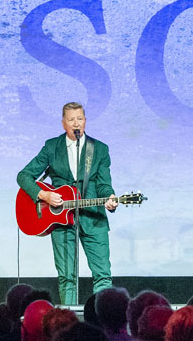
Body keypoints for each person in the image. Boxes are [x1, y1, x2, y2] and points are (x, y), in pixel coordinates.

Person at [16, 102, 118, 305]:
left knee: (103, 275)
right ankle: (68, 319)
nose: (76, 123)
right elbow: (24, 176)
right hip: (60, 219)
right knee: (67, 277)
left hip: (93, 217)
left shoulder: (99, 149)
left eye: (80, 119)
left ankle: (103, 319)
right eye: (71, 120)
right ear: (63, 123)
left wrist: (110, 197)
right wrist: (43, 195)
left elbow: (104, 185)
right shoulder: (51, 147)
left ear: (85, 121)